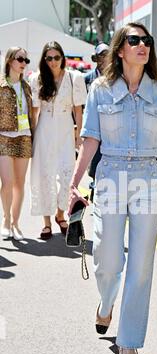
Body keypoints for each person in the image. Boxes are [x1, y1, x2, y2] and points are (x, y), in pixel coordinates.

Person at [68, 22, 157, 354]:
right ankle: (106, 303)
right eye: (134, 40)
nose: (143, 45)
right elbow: (90, 140)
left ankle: (129, 342)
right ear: (120, 49)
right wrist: (73, 185)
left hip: (147, 179)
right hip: (110, 177)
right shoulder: (100, 90)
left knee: (141, 267)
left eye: (147, 41)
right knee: (107, 259)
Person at [30, 41, 87, 240]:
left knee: (66, 176)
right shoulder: (37, 79)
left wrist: (80, 135)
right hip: (44, 129)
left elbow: (78, 110)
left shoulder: (75, 77)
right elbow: (34, 111)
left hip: (65, 131)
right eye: (49, 58)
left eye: (56, 57)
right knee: (44, 175)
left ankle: (60, 215)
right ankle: (46, 223)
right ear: (44, 60)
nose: (53, 62)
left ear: (62, 57)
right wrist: (31, 136)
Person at [0, 47, 32, 241]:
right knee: (8, 182)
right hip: (4, 136)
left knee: (20, 183)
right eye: (20, 59)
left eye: (26, 60)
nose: (23, 63)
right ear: (10, 60)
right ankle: (5, 220)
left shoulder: (27, 87)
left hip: (24, 137)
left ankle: (15, 223)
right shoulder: (1, 85)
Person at [84, 43, 110, 200]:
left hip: (110, 124)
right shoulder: (87, 79)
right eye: (101, 56)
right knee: (94, 159)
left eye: (106, 55)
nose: (104, 59)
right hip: (93, 125)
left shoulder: (118, 78)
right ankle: (95, 185)